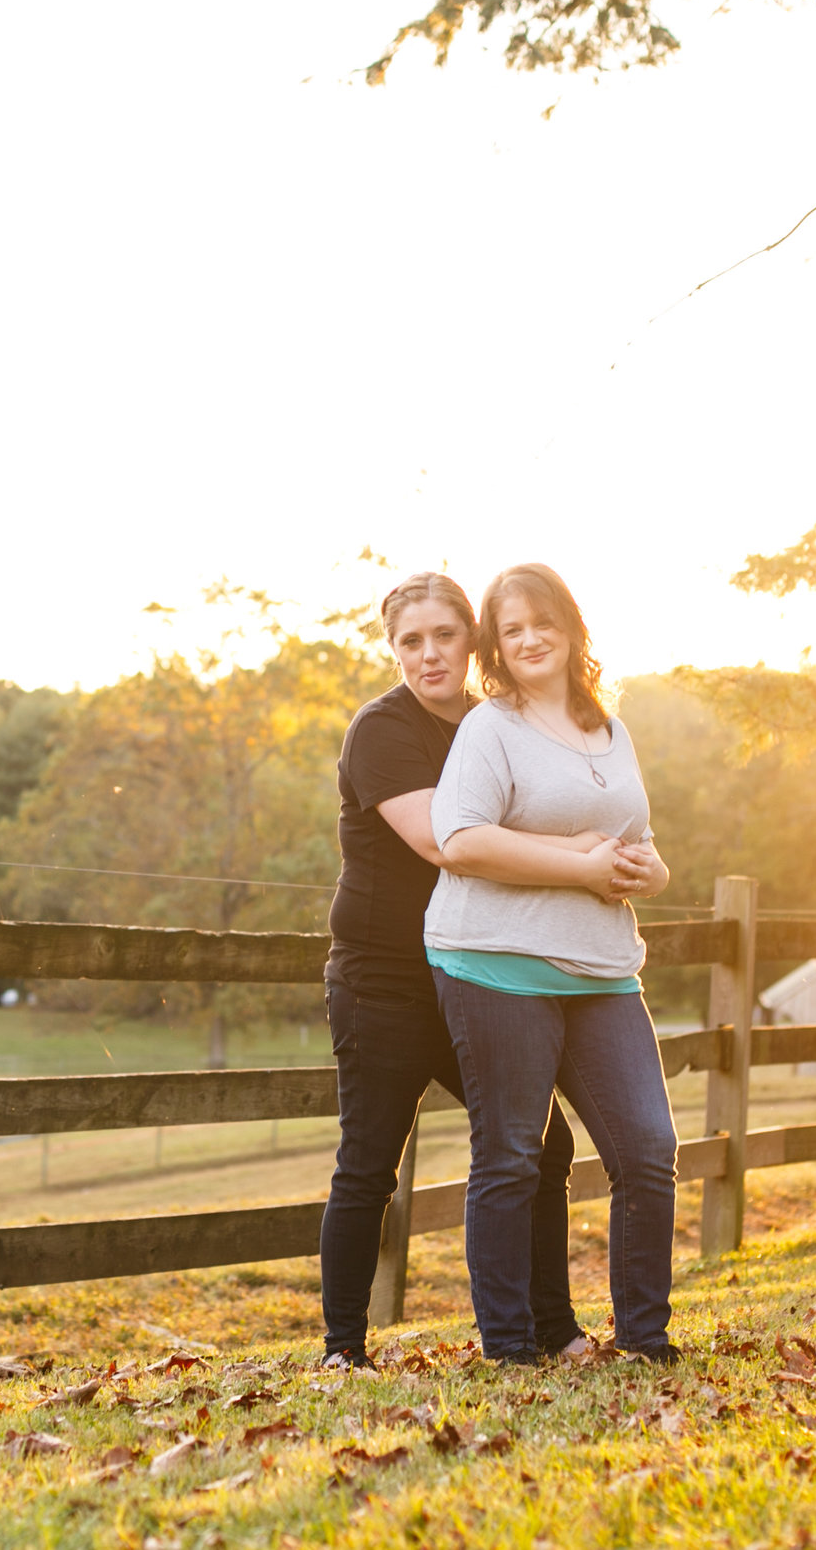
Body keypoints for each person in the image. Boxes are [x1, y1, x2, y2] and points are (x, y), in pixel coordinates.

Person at [318, 572, 591, 1369]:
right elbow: (447, 841)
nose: (429, 654)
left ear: (471, 640)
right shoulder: (381, 730)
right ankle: (344, 1348)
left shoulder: (492, 724)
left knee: (543, 1145)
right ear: (392, 648)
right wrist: (577, 859)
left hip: (474, 972)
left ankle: (554, 1328)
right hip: (387, 982)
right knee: (371, 1160)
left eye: (444, 636)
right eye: (411, 641)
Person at [425, 563, 677, 1364]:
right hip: (495, 962)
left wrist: (653, 874)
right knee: (510, 1153)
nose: (530, 638)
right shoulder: (491, 728)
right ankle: (510, 1346)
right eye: (512, 629)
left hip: (602, 967)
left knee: (647, 1148)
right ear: (497, 647)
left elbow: (637, 840)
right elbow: (462, 839)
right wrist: (581, 867)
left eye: (544, 622)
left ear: (571, 628)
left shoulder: (611, 726)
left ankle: (643, 1340)